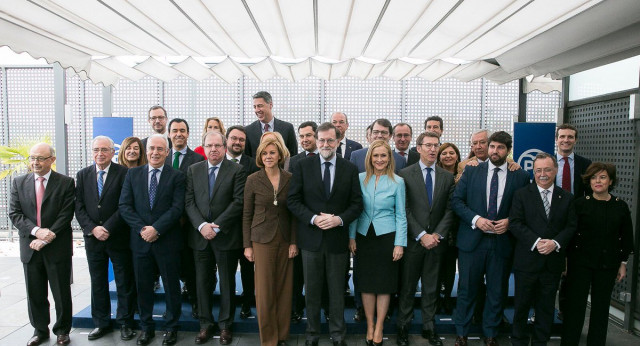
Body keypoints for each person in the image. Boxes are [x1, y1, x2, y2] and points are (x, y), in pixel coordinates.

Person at [451, 131, 530, 346]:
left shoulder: (520, 176)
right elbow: (457, 201)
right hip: (472, 240)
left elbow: (524, 208)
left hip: (501, 241)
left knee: (497, 291)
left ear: (508, 150)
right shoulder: (472, 171)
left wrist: (509, 221)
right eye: (492, 146)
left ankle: (491, 334)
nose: (495, 151)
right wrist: (476, 219)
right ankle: (462, 334)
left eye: (500, 148)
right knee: (467, 289)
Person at [288, 122, 363, 346]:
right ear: (316, 140)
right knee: (311, 291)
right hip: (310, 239)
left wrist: (339, 219)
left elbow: (357, 204)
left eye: (330, 140)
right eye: (321, 140)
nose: (325, 144)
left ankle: (338, 334)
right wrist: (313, 218)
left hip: (337, 241)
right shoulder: (302, 166)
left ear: (338, 141)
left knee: (337, 291)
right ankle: (312, 334)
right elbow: (293, 200)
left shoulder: (349, 168)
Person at [118, 134, 185, 346]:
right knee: (143, 286)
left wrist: (157, 228)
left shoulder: (177, 176)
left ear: (167, 152)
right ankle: (146, 328)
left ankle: (171, 327)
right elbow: (124, 206)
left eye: (160, 149)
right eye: (151, 149)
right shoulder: (133, 174)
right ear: (146, 152)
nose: (155, 152)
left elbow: (177, 208)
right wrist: (143, 229)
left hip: (167, 241)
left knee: (171, 287)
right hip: (140, 242)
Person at [561, 163, 634, 346]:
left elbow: (626, 237)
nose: (598, 181)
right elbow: (569, 235)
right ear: (589, 181)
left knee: (601, 310)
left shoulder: (620, 206)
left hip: (607, 265)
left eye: (602, 177)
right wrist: (566, 262)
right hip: (580, 264)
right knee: (575, 308)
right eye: (594, 177)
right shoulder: (579, 204)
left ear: (610, 181)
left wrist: (623, 263)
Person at [9, 143, 75, 346]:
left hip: (57, 246)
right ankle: (40, 330)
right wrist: (37, 232)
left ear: (52, 160)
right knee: (35, 292)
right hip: (30, 247)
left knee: (61, 292)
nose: (35, 162)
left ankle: (62, 330)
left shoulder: (65, 182)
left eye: (40, 158)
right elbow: (15, 214)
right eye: (32, 158)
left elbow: (66, 214)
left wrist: (48, 236)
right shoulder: (19, 182)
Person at [184, 131, 246, 345]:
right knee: (202, 282)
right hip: (200, 236)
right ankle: (205, 324)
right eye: (209, 145)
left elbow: (238, 202)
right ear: (204, 147)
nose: (213, 149)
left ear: (225, 147)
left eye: (218, 145)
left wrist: (216, 227)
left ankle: (225, 325)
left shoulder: (237, 170)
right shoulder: (193, 170)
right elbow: (189, 202)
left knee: (227, 282)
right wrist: (202, 226)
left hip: (225, 236)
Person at [509, 153, 577, 346]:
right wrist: (537, 241)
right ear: (534, 171)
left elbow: (571, 226)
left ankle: (540, 342)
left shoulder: (567, 198)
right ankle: (518, 342)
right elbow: (515, 223)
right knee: (521, 307)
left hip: (552, 264)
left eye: (547, 169)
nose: (543, 174)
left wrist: (554, 243)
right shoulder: (521, 194)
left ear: (555, 170)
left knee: (546, 308)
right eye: (538, 170)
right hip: (527, 262)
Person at [396, 132, 456, 346]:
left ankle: (429, 327)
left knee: (431, 288)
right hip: (414, 241)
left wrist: (437, 235)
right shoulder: (404, 174)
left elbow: (450, 210)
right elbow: (404, 208)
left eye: (435, 145)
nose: (433, 149)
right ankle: (403, 326)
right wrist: (421, 235)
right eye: (428, 145)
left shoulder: (447, 177)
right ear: (418, 148)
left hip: (436, 243)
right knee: (407, 287)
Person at [75, 136, 136, 341]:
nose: (99, 154)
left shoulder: (124, 173)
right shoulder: (83, 175)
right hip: (93, 239)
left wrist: (107, 227)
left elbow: (125, 205)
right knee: (98, 282)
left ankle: (125, 323)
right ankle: (101, 323)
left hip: (117, 236)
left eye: (104, 150)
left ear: (112, 152)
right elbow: (79, 207)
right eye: (96, 150)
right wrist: (93, 229)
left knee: (123, 281)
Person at [349, 139, 407, 346]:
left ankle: (380, 325)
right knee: (365, 283)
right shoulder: (359, 179)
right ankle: (370, 325)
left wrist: (399, 243)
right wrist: (351, 236)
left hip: (387, 238)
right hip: (364, 238)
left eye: (384, 156)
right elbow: (355, 210)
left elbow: (401, 215)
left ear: (389, 158)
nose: (379, 159)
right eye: (376, 156)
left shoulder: (398, 182)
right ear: (369, 158)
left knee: (383, 285)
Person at [243, 136, 298, 346]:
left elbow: (293, 213)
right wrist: (247, 245)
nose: (268, 157)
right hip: (261, 239)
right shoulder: (252, 180)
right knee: (265, 291)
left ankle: (282, 335)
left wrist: (294, 242)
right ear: (259, 156)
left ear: (280, 155)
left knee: (284, 289)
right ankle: (269, 339)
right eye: (264, 153)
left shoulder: (290, 178)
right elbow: (246, 214)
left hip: (285, 239)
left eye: (272, 153)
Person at [165, 118, 205, 318]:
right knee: (170, 267)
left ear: (188, 133)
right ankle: (172, 307)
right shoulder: (160, 157)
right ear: (169, 133)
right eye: (175, 130)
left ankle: (196, 303)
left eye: (182, 130)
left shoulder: (198, 160)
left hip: (189, 224)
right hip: (166, 226)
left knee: (191, 268)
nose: (178, 134)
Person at [225, 125, 259, 320]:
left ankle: (247, 303)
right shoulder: (218, 161)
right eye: (234, 138)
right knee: (228, 271)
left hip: (247, 226)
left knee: (247, 269)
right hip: (225, 228)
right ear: (227, 140)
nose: (237, 142)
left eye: (241, 140)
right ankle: (228, 307)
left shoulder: (253, 164)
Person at [288, 121, 319, 322]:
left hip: (325, 224)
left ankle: (320, 309)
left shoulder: (329, 156)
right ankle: (296, 308)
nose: (305, 139)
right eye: (302, 136)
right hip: (301, 223)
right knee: (297, 272)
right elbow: (292, 196)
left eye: (308, 135)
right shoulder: (293, 161)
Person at [435, 142, 462, 315]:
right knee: (437, 265)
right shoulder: (436, 175)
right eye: (444, 153)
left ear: (458, 156)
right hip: (439, 225)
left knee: (451, 266)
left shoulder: (465, 174)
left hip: (458, 227)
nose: (448, 156)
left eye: (451, 153)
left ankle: (447, 299)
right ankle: (436, 299)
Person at [245, 91, 297, 157]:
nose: (257, 110)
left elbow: (293, 156)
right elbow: (247, 157)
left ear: (270, 105)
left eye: (260, 106)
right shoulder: (248, 130)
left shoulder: (287, 128)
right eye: (255, 107)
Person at [555, 124, 592, 197]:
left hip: (577, 206)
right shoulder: (547, 162)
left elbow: (589, 190)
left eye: (570, 137)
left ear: (575, 140)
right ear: (556, 140)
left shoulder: (585, 163)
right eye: (562, 136)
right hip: (552, 207)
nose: (566, 140)